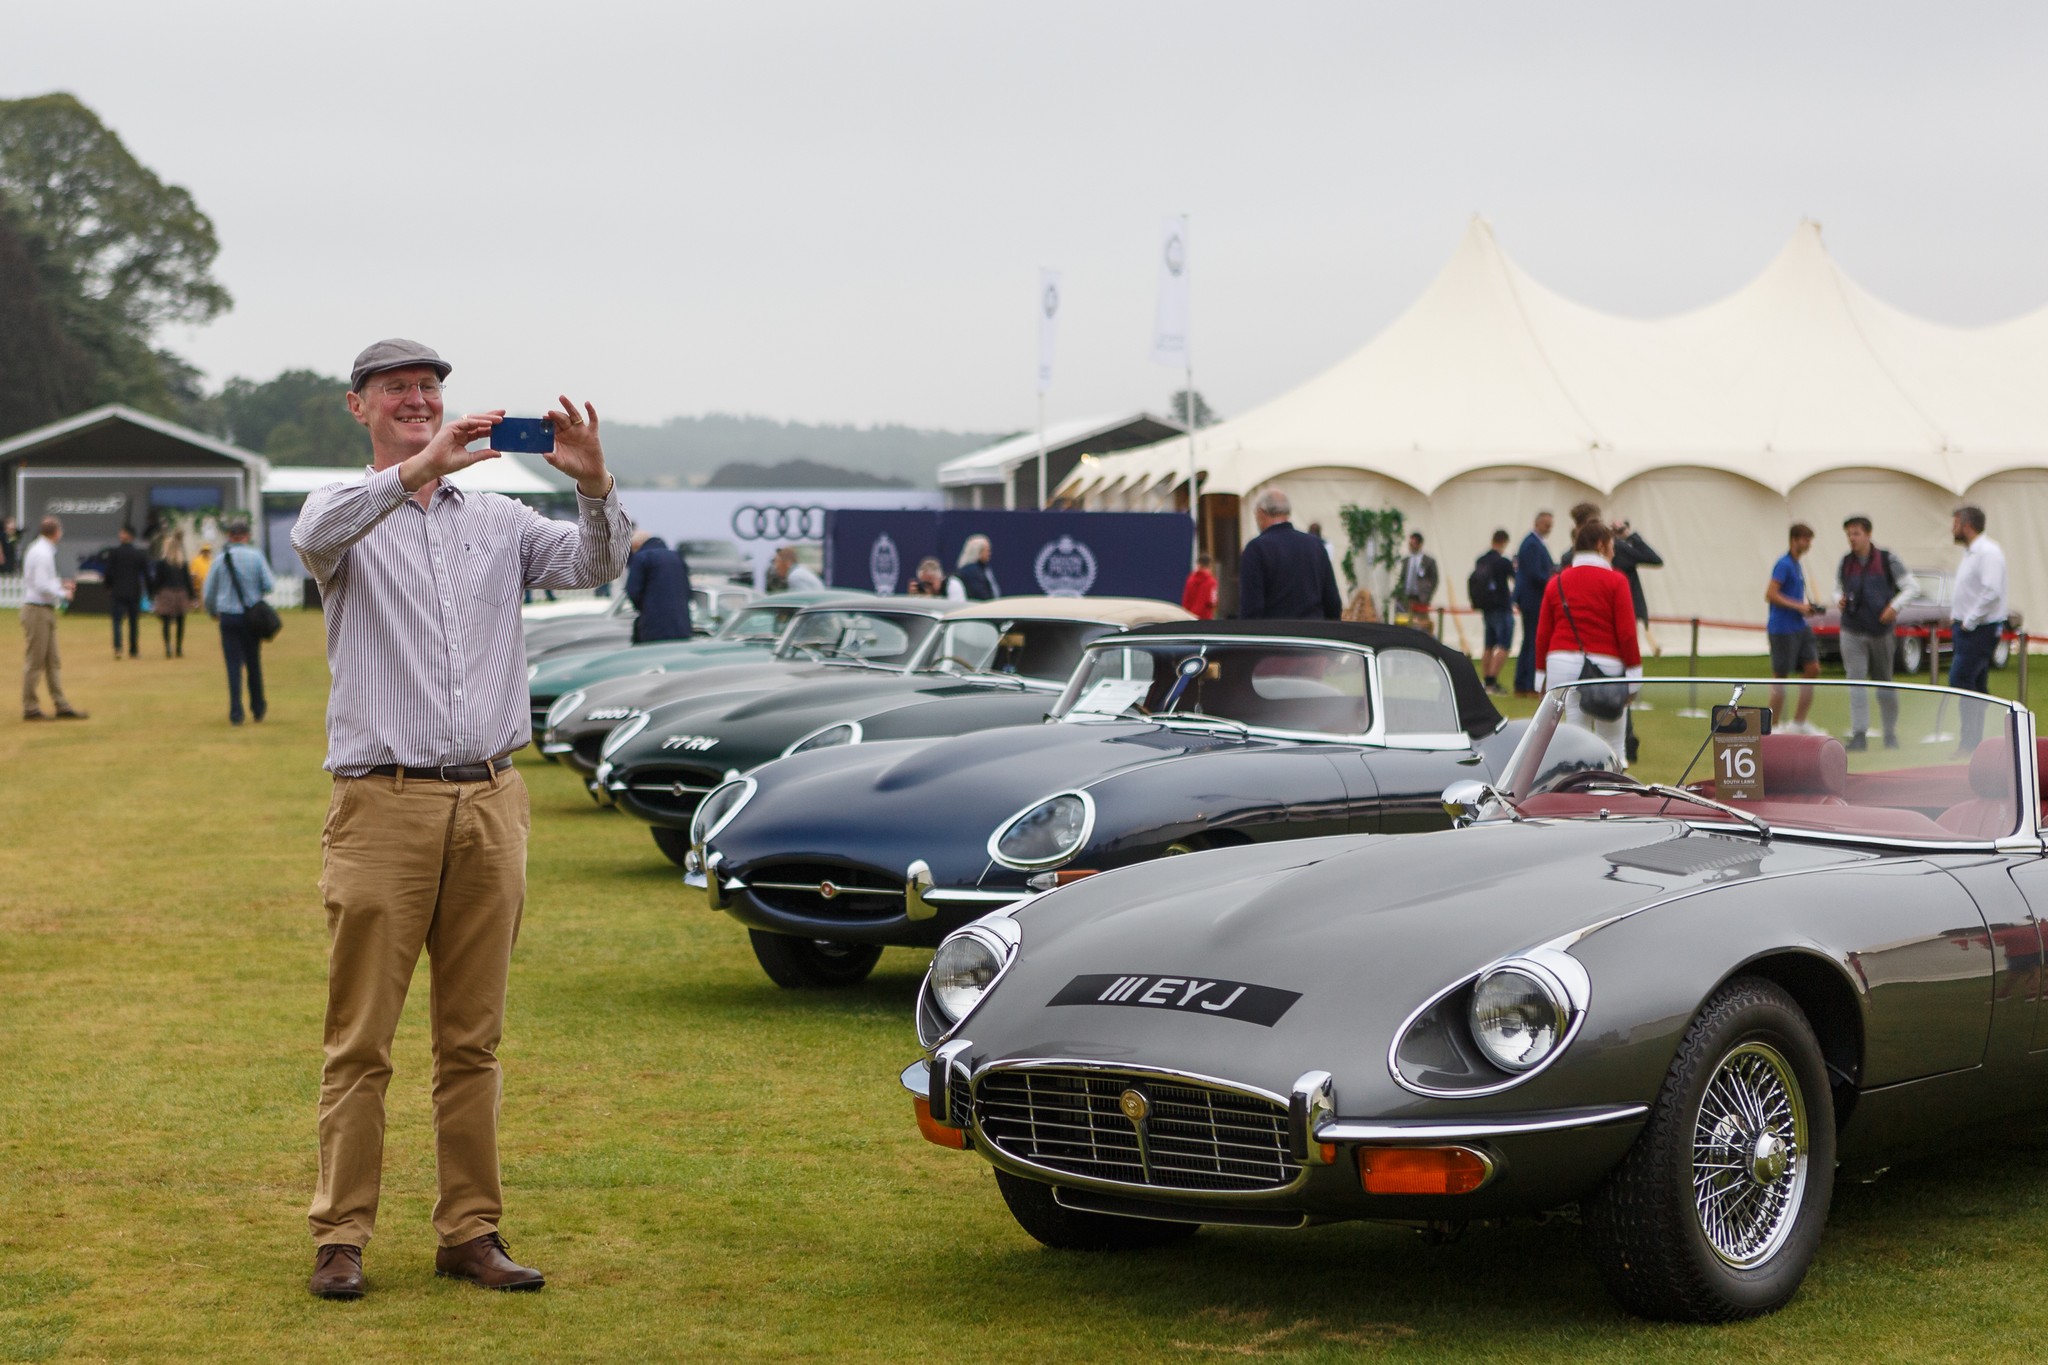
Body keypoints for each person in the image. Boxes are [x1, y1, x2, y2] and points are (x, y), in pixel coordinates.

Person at [291, 339, 629, 1302]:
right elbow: (315, 536)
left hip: (490, 798)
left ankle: (470, 1231)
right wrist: (420, 469)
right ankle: (341, 1235)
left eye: (430, 388)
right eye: (397, 388)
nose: (418, 399)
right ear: (359, 406)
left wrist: (594, 482)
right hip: (381, 801)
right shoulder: (344, 511)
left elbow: (596, 562)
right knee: (361, 1040)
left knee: (472, 1041)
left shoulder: (499, 518)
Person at [1535, 520, 1640, 761]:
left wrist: (1540, 675)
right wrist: (1635, 674)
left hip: (1560, 664)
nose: (1614, 552)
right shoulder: (1616, 581)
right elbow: (1627, 633)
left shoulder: (1556, 581)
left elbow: (1542, 634)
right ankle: (1609, 781)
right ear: (1601, 545)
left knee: (1573, 738)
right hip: (1605, 665)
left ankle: (1574, 778)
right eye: (1612, 546)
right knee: (1612, 742)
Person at [1835, 515, 1911, 751]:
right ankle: (1859, 735)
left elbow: (1911, 587)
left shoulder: (1887, 559)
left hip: (1881, 632)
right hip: (1852, 629)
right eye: (1849, 534)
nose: (1852, 538)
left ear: (1868, 534)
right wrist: (1838, 599)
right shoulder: (1846, 562)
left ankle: (1890, 733)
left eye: (1856, 533)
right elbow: (1837, 588)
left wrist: (1894, 607)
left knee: (1884, 683)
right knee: (1855, 683)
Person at [204, 514, 275, 724]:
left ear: (229, 536)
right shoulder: (256, 556)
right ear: (247, 536)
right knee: (253, 662)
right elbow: (269, 584)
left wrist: (212, 611)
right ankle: (258, 707)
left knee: (233, 665)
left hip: (228, 616)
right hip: (251, 617)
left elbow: (209, 591)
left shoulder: (220, 559)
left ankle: (236, 711)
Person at [1948, 504, 2007, 749]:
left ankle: (1970, 741)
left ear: (1967, 525)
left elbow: (1992, 591)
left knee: (1961, 681)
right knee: (1977, 685)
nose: (1952, 529)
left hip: (1978, 629)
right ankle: (1978, 741)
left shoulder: (1987, 552)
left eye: (1955, 523)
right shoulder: (1972, 552)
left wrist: (1969, 620)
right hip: (1968, 629)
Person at [1236, 489, 1341, 620]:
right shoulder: (1316, 545)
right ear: (1288, 512)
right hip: (1314, 629)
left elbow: (1251, 608)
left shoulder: (1256, 549)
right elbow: (1333, 602)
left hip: (1274, 631)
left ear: (1261, 513)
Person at [19, 516, 86, 721]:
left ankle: (61, 704)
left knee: (52, 661)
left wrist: (60, 584)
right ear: (55, 532)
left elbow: (43, 580)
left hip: (43, 609)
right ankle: (30, 707)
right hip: (37, 609)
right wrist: (63, 592)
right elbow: (41, 584)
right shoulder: (42, 553)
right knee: (36, 661)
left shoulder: (41, 550)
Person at [1766, 523, 1826, 734]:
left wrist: (1805, 609)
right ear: (1794, 540)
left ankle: (1799, 722)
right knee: (1780, 676)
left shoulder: (1798, 564)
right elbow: (1771, 594)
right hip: (1782, 628)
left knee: (1813, 668)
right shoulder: (1783, 564)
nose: (1808, 544)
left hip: (1799, 626)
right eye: (1805, 539)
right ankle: (1772, 726)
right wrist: (1798, 606)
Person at [1513, 511, 1556, 696]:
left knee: (1529, 640)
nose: (1549, 528)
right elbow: (1535, 574)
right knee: (1533, 641)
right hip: (1533, 600)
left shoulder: (1534, 543)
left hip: (1530, 599)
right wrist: (1553, 580)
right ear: (1537, 523)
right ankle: (1529, 684)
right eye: (1546, 524)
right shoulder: (1532, 544)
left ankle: (1522, 683)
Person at [1468, 530, 1516, 694]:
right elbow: (1515, 578)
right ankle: (1491, 680)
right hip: (1502, 607)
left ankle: (1485, 679)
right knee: (1504, 645)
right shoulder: (1503, 562)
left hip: (1486, 608)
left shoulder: (1481, 560)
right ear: (1504, 542)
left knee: (1488, 645)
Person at [624, 530, 692, 642]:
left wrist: (643, 608)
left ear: (637, 545)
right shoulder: (676, 557)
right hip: (682, 624)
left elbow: (633, 591)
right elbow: (687, 589)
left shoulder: (642, 557)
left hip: (654, 625)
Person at [105, 525, 152, 660]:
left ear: (128, 535)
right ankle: (133, 650)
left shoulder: (114, 553)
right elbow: (146, 574)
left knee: (117, 621)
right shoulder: (139, 554)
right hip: (134, 591)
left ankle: (118, 648)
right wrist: (151, 591)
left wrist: (108, 586)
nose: (120, 535)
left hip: (118, 591)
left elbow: (108, 572)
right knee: (133, 622)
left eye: (122, 533)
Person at [151, 532, 195, 658]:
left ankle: (168, 647)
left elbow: (158, 580)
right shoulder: (183, 564)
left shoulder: (162, 563)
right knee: (181, 622)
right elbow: (188, 581)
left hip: (166, 594)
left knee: (166, 622)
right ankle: (179, 648)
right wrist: (192, 596)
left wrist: (153, 593)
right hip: (180, 593)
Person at [1398, 531, 1439, 633]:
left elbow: (1434, 579)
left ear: (1420, 544)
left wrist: (1427, 595)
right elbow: (1402, 578)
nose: (1411, 546)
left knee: (1422, 624)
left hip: (1421, 597)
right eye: (1410, 544)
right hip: (1407, 597)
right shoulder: (1406, 560)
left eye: (1413, 543)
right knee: (1407, 623)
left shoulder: (1428, 561)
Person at [948, 534, 999, 601]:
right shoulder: (973, 572)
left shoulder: (983, 569)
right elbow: (980, 595)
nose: (989, 553)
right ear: (978, 551)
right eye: (987, 550)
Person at [1182, 553, 1218, 619]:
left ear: (1199, 564)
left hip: (1189, 616)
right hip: (1204, 618)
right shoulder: (1211, 582)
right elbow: (1212, 602)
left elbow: (1186, 598)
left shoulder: (1190, 579)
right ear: (1210, 565)